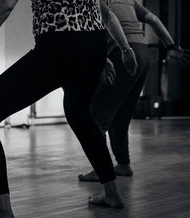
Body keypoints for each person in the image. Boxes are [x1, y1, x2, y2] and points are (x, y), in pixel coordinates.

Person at [0, 0, 125, 218]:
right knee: (78, 113)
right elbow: (99, 10)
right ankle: (112, 193)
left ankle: (0, 211)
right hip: (94, 42)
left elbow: (4, 6)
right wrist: (91, 54)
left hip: (60, 45)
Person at [79, 0, 190, 182]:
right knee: (121, 115)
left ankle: (101, 171)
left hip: (122, 51)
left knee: (96, 117)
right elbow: (153, 19)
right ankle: (123, 164)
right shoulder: (128, 0)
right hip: (143, 52)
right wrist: (171, 46)